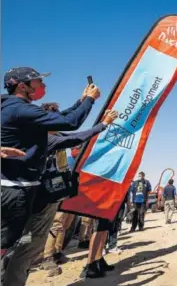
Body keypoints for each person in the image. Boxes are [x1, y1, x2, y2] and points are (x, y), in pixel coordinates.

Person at [4, 104, 118, 285]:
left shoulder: (36, 135)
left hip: (35, 196)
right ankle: (28, 261)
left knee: (29, 236)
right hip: (42, 198)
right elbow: (75, 137)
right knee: (35, 237)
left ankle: (16, 259)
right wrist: (102, 124)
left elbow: (70, 132)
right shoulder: (47, 139)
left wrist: (81, 102)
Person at [1, 67, 99, 277]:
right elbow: (69, 123)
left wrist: (81, 101)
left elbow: (57, 117)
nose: (42, 86)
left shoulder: (16, 109)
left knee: (22, 242)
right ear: (22, 86)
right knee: (17, 244)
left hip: (21, 190)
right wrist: (90, 102)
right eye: (37, 82)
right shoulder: (19, 109)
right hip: (17, 192)